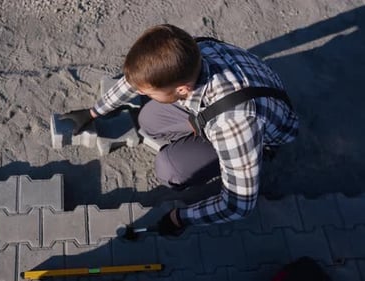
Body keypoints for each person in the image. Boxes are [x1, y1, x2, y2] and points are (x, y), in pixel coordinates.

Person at [60, 24, 299, 236]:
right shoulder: (187, 51)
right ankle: (199, 131)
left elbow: (239, 205)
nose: (141, 93)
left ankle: (261, 153)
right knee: (149, 120)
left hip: (255, 128)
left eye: (148, 92)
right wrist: (94, 112)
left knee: (169, 169)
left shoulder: (233, 125)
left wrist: (181, 218)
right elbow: (138, 80)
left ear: (182, 90)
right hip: (231, 98)